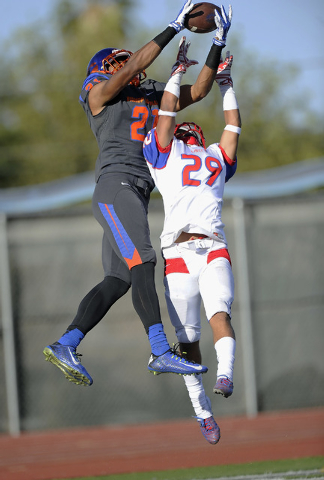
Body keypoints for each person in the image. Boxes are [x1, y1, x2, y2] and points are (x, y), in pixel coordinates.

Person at [43, 1, 232, 386]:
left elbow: (198, 90)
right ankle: (160, 350)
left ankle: (66, 342)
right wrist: (174, 26)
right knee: (143, 260)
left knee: (118, 278)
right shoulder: (99, 95)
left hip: (134, 194)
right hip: (116, 187)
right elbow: (129, 69)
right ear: (104, 69)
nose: (134, 67)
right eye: (121, 63)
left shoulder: (148, 94)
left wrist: (217, 42)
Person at [143, 11, 240, 444]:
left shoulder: (205, 155)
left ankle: (225, 379)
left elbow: (225, 128)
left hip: (210, 245)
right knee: (189, 341)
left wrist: (181, 75)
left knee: (219, 315)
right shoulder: (175, 154)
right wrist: (223, 84)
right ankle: (203, 411)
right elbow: (230, 126)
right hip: (182, 251)